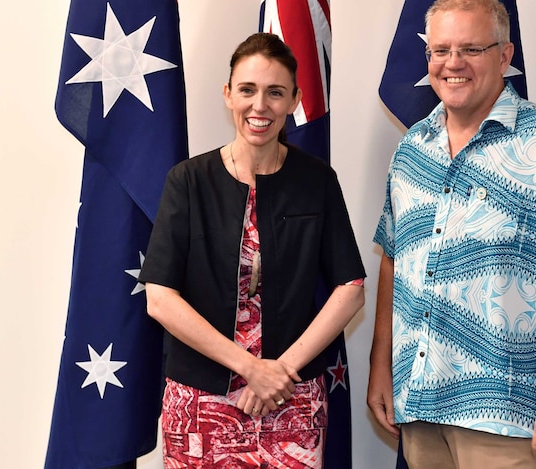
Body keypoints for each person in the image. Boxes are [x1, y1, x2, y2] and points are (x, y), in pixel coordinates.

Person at [367, 0, 536, 469]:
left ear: (505, 56)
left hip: (510, 416)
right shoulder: (412, 149)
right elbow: (393, 259)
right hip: (421, 407)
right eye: (440, 51)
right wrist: (381, 365)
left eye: (471, 49)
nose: (452, 63)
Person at [139, 32, 366, 469]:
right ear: (228, 95)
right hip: (201, 405)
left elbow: (351, 287)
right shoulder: (187, 181)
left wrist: (278, 372)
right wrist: (250, 367)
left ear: (295, 100)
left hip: (293, 401)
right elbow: (160, 299)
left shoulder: (317, 180)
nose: (259, 106)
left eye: (275, 93)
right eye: (247, 90)